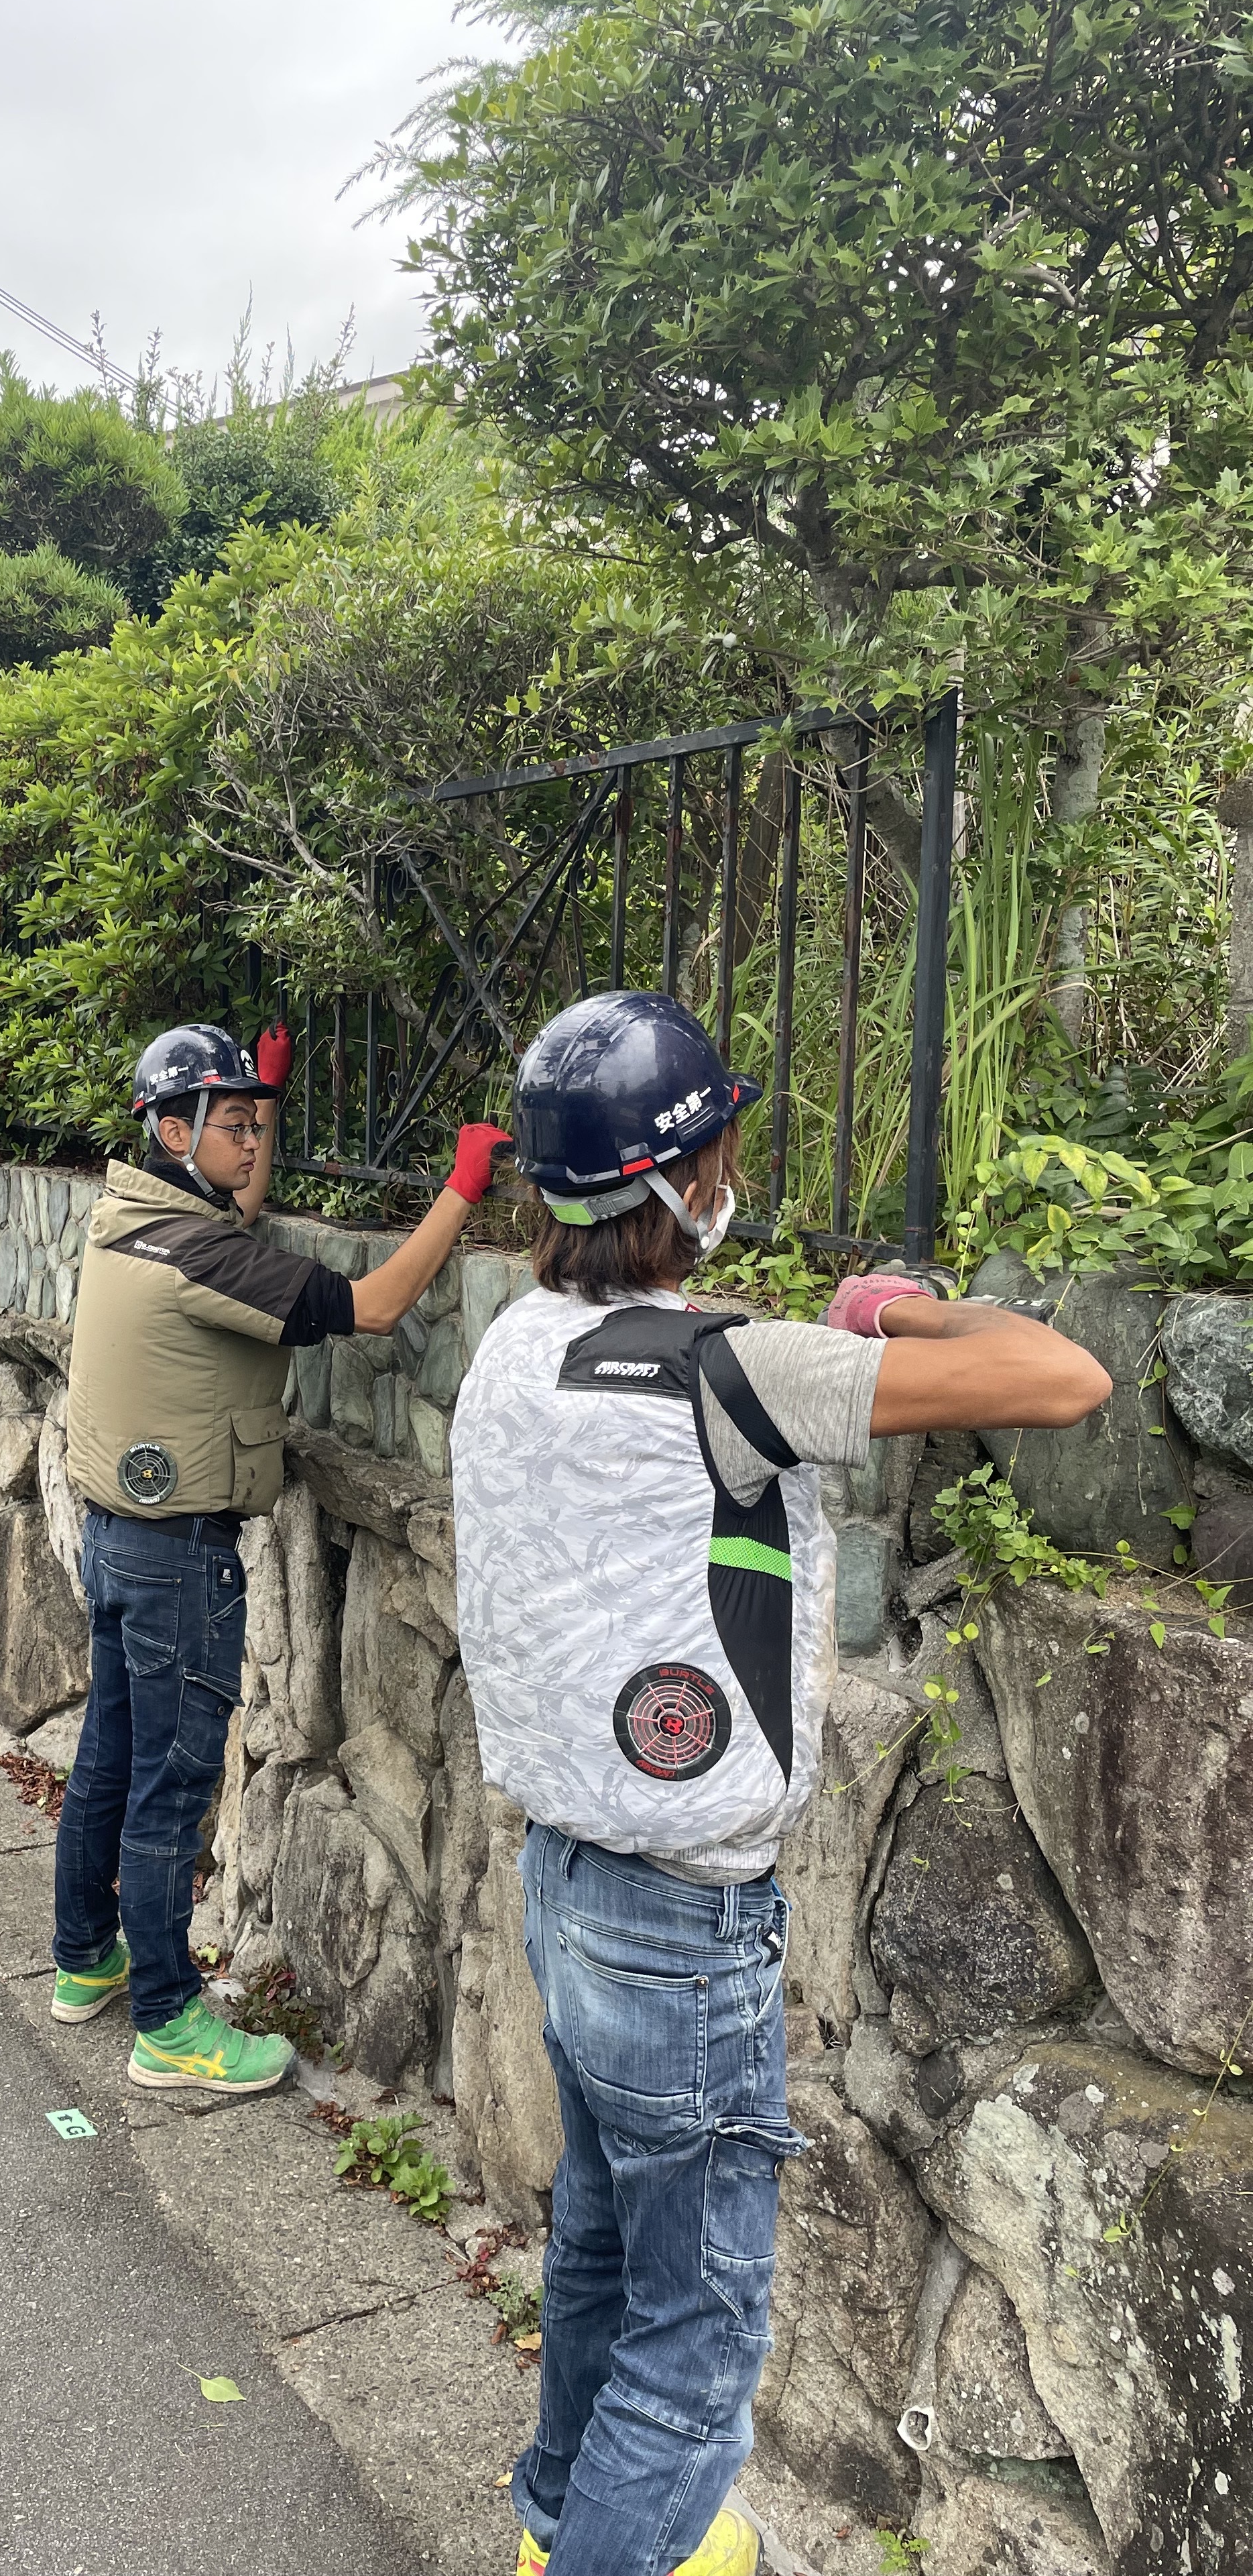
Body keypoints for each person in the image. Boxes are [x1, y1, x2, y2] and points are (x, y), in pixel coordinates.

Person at [449, 989, 1111, 2576]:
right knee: (698, 2346)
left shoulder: (514, 1345)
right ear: (690, 1176)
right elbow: (1065, 1378)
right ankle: (605, 2543)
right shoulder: (745, 1371)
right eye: (727, 1146)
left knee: (604, 2248)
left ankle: (560, 2522)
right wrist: (894, 1311)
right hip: (681, 1925)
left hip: (564, 1880)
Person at [57, 1018, 510, 2094]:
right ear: (172, 1131)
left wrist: (266, 1095)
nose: (254, 1144)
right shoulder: (205, 1256)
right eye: (231, 1124)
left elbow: (228, 1222)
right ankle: (168, 2023)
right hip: (179, 1560)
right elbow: (380, 1305)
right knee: (170, 1790)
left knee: (109, 1761)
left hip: (118, 1535)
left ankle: (85, 1959)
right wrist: (460, 1185)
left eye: (259, 1122)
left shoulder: (132, 1215)